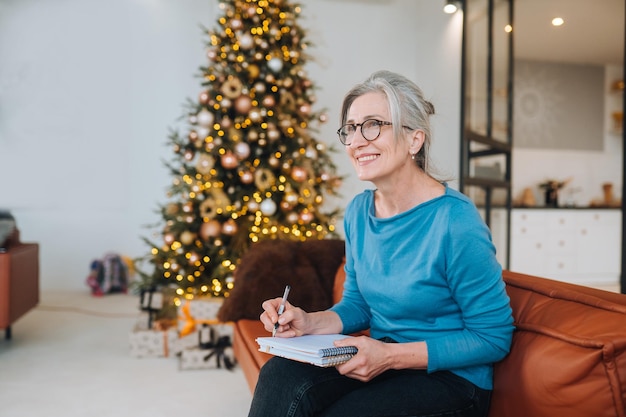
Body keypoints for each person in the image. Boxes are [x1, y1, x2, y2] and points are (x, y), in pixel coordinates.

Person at [247, 70, 514, 417]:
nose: (357, 141)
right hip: (379, 356)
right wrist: (308, 322)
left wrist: (389, 357)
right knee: (278, 374)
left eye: (373, 124)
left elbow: (493, 337)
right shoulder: (359, 212)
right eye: (351, 129)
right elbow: (359, 304)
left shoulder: (455, 221)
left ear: (414, 140)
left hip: (451, 381)